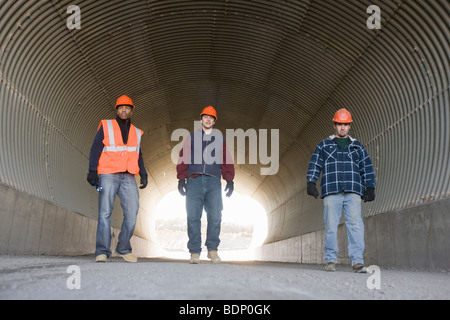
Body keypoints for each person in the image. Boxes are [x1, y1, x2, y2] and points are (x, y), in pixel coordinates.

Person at [306, 108, 376, 273]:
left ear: (349, 125)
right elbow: (315, 164)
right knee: (331, 226)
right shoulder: (323, 145)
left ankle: (357, 261)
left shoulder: (357, 146)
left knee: (355, 226)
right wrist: (311, 181)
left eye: (345, 124)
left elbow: (366, 166)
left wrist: (370, 186)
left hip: (353, 190)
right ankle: (331, 260)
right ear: (334, 125)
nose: (342, 127)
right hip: (332, 190)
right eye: (339, 124)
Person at [87, 95, 148, 263]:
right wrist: (92, 171)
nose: (123, 110)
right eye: (121, 107)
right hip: (108, 174)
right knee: (105, 213)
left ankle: (123, 248)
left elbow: (138, 154)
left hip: (128, 176)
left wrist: (143, 172)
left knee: (132, 212)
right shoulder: (106, 126)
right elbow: (95, 148)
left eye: (127, 107)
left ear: (131, 110)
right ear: (117, 109)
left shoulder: (136, 131)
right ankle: (102, 251)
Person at [176, 106, 235, 264]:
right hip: (194, 180)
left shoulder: (219, 139)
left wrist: (229, 179)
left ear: (214, 121)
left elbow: (226, 158)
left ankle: (212, 250)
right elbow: (183, 156)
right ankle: (195, 251)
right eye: (205, 117)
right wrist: (181, 178)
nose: (208, 119)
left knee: (215, 216)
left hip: (213, 181)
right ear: (201, 119)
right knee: (193, 216)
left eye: (211, 117)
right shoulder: (192, 137)